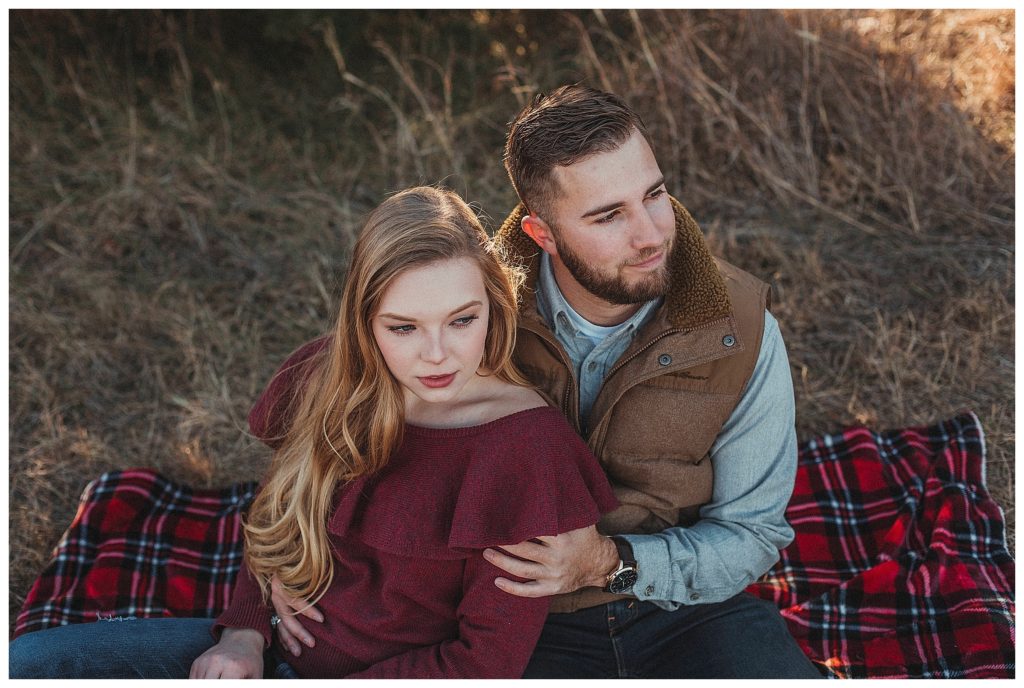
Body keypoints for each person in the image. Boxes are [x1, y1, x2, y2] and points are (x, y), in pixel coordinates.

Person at [258, 86, 822, 679]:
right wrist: (294, 565)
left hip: (680, 608)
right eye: (608, 215)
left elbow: (752, 533)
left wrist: (609, 562)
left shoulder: (738, 331)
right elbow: (350, 383)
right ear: (541, 233)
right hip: (512, 619)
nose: (653, 234)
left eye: (654, 195)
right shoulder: (473, 309)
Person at [9, 186, 618, 679]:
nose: (436, 354)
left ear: (494, 303)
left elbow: (482, 664)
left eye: (462, 320)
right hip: (266, 652)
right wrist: (245, 632)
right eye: (402, 327)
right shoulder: (330, 379)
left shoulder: (525, 451)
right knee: (30, 664)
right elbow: (276, 514)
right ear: (363, 321)